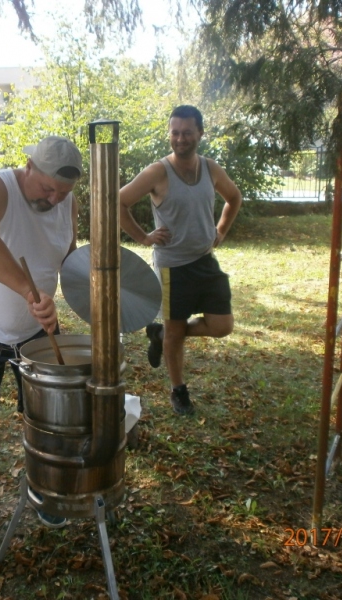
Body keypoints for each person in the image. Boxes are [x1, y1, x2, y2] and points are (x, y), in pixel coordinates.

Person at [0, 135, 83, 551]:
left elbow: (68, 257)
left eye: (63, 192)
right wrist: (31, 293)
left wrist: (94, 293)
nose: (54, 197)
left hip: (38, 332)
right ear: (29, 166)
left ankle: (42, 486)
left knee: (45, 417)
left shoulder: (67, 202)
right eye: (48, 188)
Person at [119, 105, 242, 416]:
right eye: (175, 132)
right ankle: (178, 389)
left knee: (222, 325)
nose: (180, 138)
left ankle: (159, 334)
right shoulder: (158, 172)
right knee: (177, 332)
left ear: (200, 133)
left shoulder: (211, 169)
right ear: (169, 134)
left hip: (205, 260)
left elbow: (234, 197)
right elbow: (117, 201)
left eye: (187, 132)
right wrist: (143, 237)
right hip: (172, 266)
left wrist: (221, 230)